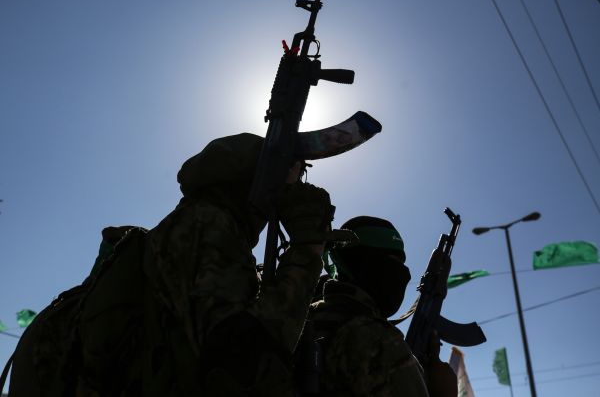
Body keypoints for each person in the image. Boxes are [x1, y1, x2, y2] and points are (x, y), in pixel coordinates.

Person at [72, 133, 338, 396]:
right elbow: (242, 366)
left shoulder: (200, 226)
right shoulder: (208, 224)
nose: (291, 188)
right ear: (257, 180)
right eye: (285, 177)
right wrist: (307, 250)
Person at [295, 216, 457, 397]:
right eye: (394, 261)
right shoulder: (379, 341)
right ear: (365, 262)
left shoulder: (304, 316)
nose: (404, 274)